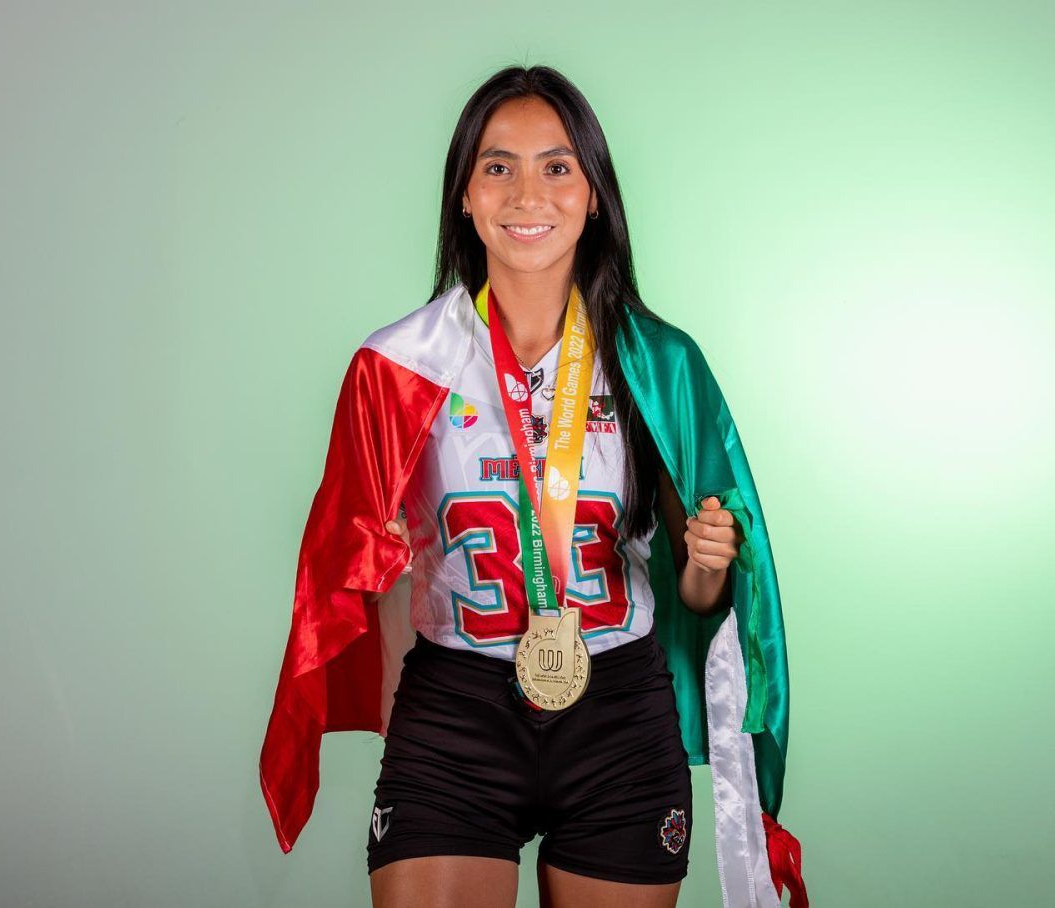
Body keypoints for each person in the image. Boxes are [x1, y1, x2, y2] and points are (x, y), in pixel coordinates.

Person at [258, 64, 807, 908]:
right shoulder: (398, 365)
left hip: (617, 712)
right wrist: (375, 556)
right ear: (465, 196)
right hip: (457, 709)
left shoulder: (657, 362)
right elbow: (342, 573)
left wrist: (707, 562)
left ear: (594, 195)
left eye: (557, 166)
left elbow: (699, 598)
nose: (527, 194)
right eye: (497, 166)